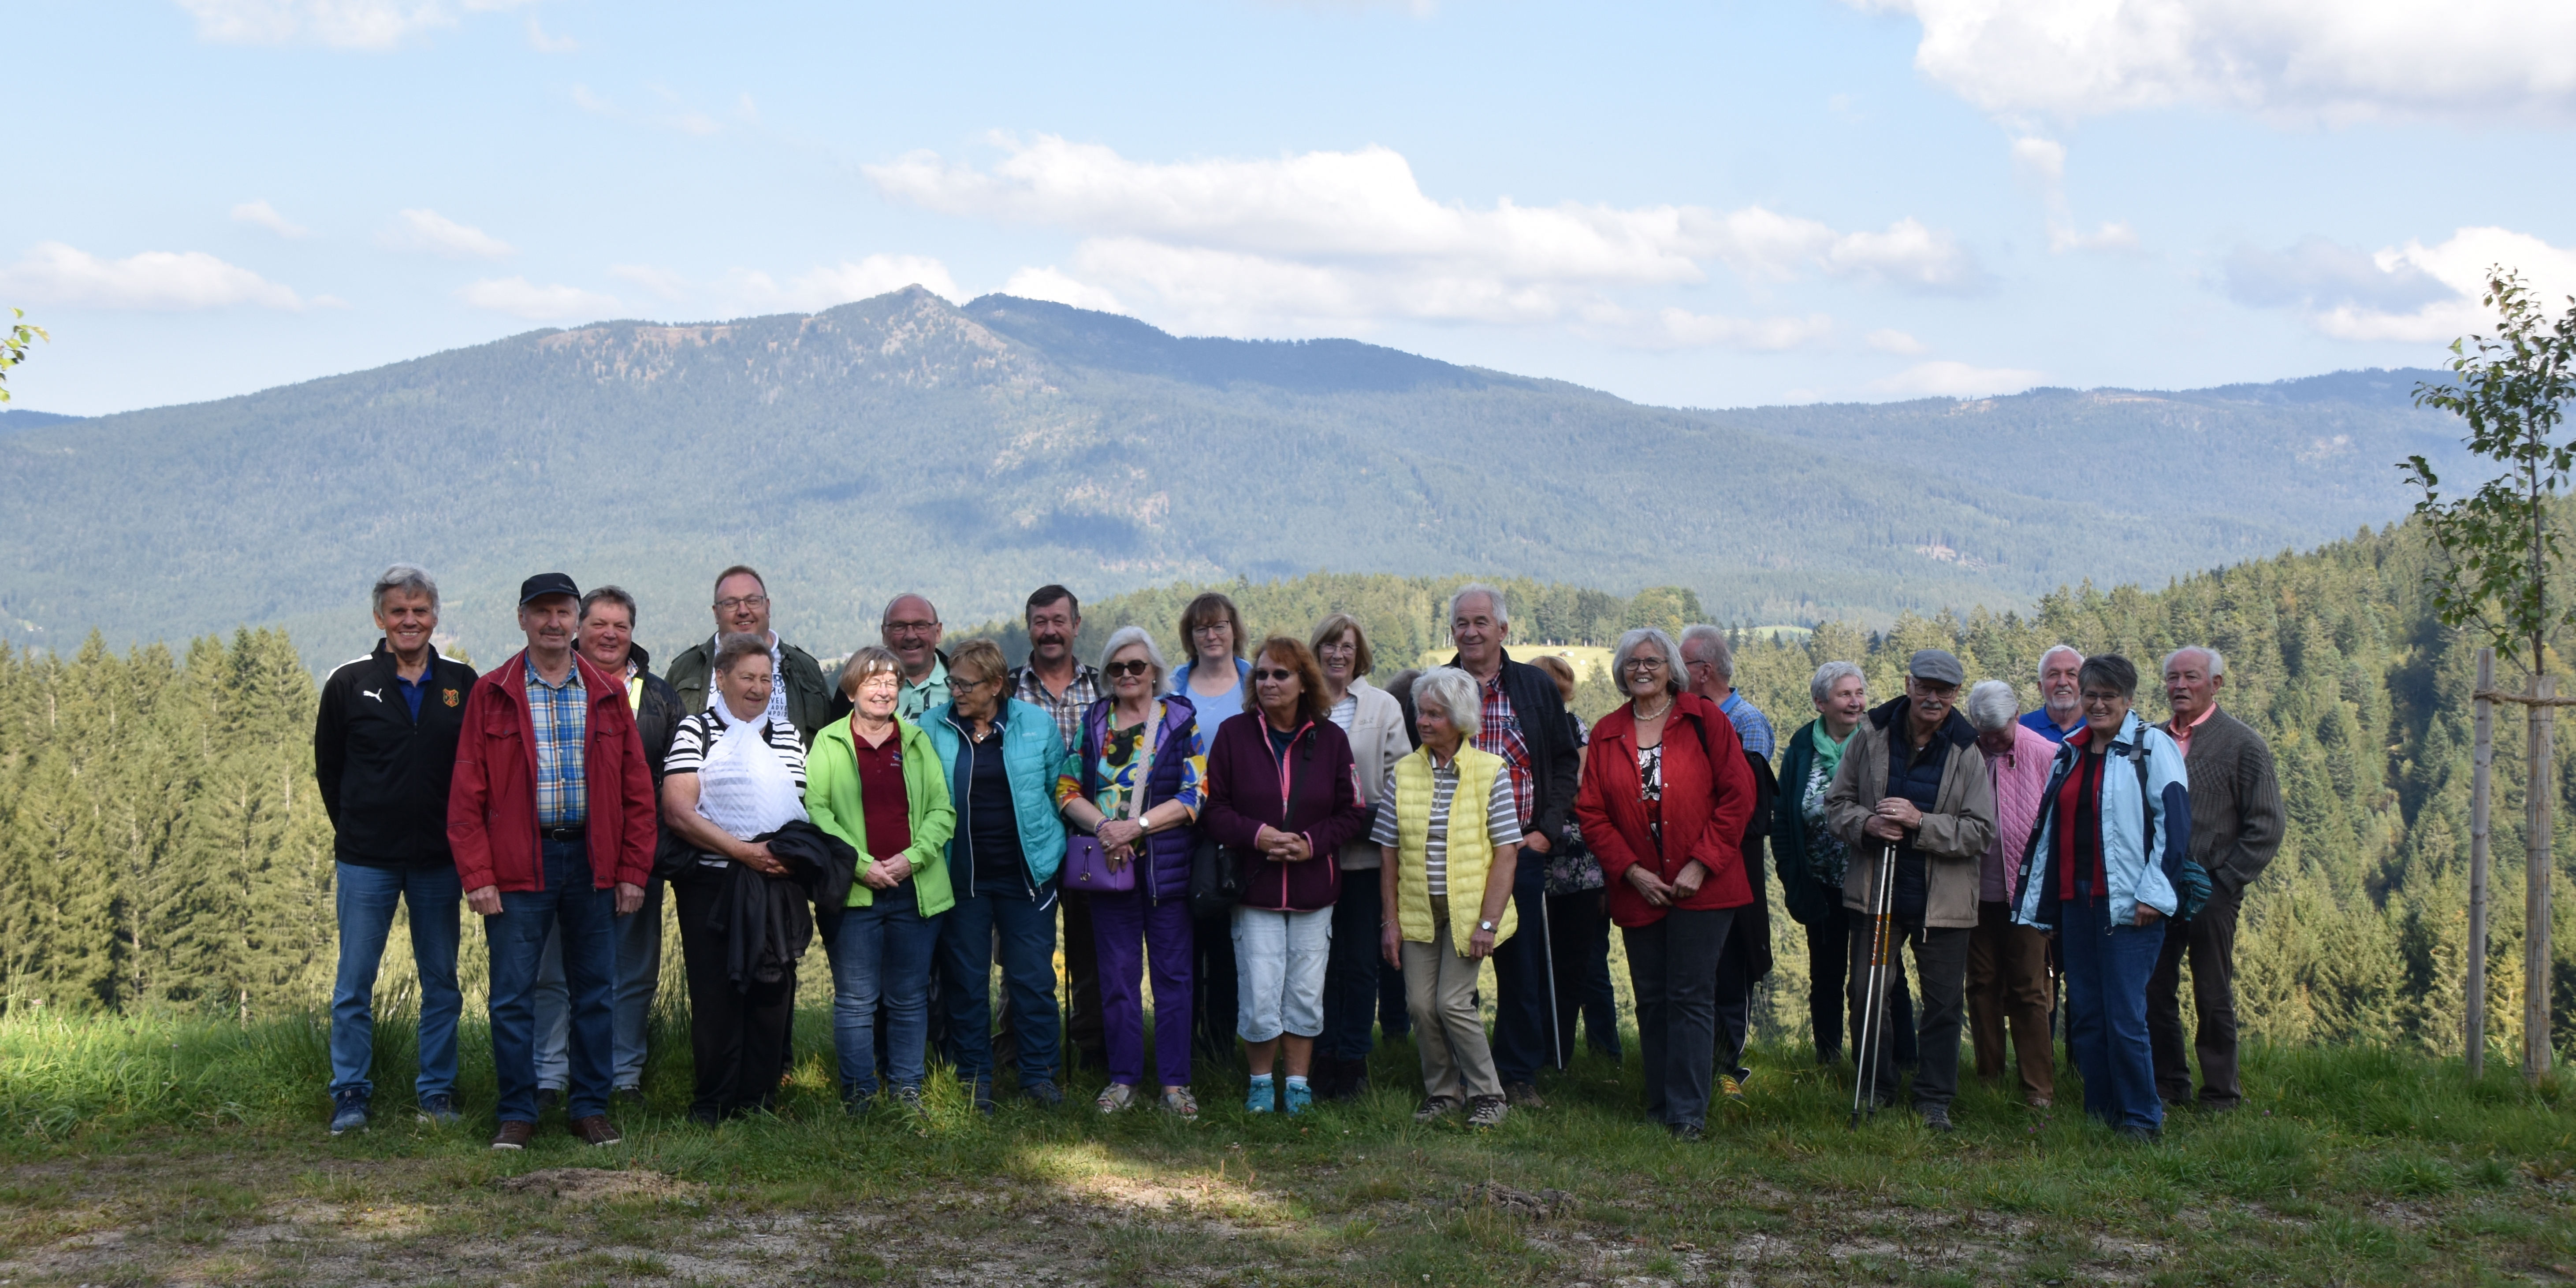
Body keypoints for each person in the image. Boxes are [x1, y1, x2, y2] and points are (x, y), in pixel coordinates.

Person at [448, 573, 655, 1151]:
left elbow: (638, 789)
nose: (553, 622)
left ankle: (590, 1107)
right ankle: (517, 1110)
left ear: (576, 618)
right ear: (522, 619)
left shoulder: (607, 694)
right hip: (519, 861)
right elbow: (467, 794)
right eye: (542, 612)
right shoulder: (493, 692)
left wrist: (634, 870)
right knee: (513, 993)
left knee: (596, 989)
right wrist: (478, 875)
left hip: (594, 857)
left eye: (564, 611)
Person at [314, 564, 479, 1134]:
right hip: (366, 859)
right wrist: (360, 826)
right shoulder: (349, 682)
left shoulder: (463, 681)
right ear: (380, 617)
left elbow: (476, 768)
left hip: (439, 858)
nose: (410, 620)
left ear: (435, 616)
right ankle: (351, 1092)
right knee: (354, 983)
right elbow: (329, 769)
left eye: (420, 610)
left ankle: (436, 1092)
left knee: (442, 983)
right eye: (398, 611)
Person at [1575, 628, 1756, 1140]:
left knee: (1691, 995)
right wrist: (1631, 871)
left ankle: (1687, 1114)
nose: (1642, 669)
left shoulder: (1706, 720)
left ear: (1671, 667)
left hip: (1707, 886)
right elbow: (1591, 812)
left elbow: (1737, 797)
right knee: (1652, 997)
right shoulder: (1609, 731)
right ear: (1620, 671)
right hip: (1640, 886)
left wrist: (1701, 864)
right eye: (1632, 662)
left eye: (1652, 660)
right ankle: (1660, 1105)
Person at [2012, 654, 2191, 1140]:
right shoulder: (2070, 750)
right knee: (2087, 1013)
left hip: (2132, 906)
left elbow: (2174, 827)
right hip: (2077, 902)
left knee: (2126, 1015)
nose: (2097, 703)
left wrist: (2155, 892)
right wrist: (2043, 902)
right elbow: (2049, 831)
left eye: (2109, 696)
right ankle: (2101, 1114)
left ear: (2129, 700)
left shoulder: (2152, 748)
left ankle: (2141, 1118)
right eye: (2091, 695)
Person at [1823, 648, 1997, 1132]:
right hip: (1877, 900)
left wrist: (1922, 825)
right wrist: (1870, 823)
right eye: (1926, 686)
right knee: (1867, 992)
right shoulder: (1870, 736)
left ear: (1956, 695)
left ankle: (1934, 1099)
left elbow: (1982, 831)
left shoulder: (1968, 751)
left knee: (1943, 1004)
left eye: (1945, 690)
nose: (1934, 697)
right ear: (1908, 684)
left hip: (1942, 906)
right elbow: (1836, 805)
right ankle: (1876, 1087)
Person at [529, 589, 685, 1110]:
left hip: (639, 859)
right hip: (562, 852)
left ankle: (624, 1074)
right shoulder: (552, 687)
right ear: (580, 628)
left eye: (621, 625)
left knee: (632, 970)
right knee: (554, 970)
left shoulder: (661, 699)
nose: (610, 634)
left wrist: (646, 857)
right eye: (599, 624)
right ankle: (551, 1075)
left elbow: (674, 782)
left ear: (633, 631)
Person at [1203, 636, 1370, 1115]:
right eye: (1262, 674)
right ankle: (1260, 1083)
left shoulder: (1331, 738)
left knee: (1304, 989)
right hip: (1254, 886)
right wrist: (1258, 835)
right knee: (1259, 988)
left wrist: (1309, 843)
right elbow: (1214, 809)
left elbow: (1352, 810)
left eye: (1281, 674)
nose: (1270, 682)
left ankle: (1297, 1083)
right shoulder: (1234, 735)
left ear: (1304, 683)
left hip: (1314, 886)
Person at [658, 633, 814, 1124]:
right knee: (716, 991)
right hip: (714, 882)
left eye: (766, 678)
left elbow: (801, 807)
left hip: (776, 880)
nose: (757, 688)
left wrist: (783, 858)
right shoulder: (695, 731)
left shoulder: (787, 735)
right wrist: (745, 853)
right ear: (721, 679)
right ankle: (714, 1102)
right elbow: (679, 811)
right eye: (746, 677)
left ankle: (759, 1100)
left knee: (772, 988)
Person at [1055, 627, 1206, 1117]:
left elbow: (1196, 794)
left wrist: (1134, 828)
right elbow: (1066, 788)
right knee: (1116, 979)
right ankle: (1123, 1079)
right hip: (1110, 868)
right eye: (1116, 668)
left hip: (1166, 870)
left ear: (1155, 671)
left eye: (1136, 666)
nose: (1126, 675)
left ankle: (1175, 1084)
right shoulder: (1095, 721)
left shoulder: (1180, 721)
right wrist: (1105, 828)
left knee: (1174, 979)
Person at [1443, 584, 1582, 1108]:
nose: (1471, 631)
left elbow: (1566, 762)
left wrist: (1547, 830)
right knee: (1457, 969)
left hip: (1521, 848)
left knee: (1521, 966)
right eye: (1462, 623)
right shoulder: (1441, 687)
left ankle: (1519, 1073)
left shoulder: (1534, 687)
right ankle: (1462, 1072)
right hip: (1456, 854)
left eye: (1481, 621)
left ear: (1503, 629)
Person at [807, 646, 956, 1113]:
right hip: (854, 892)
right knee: (856, 1000)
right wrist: (861, 864)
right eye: (873, 681)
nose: (884, 689)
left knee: (909, 997)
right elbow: (817, 810)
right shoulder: (829, 743)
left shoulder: (915, 742)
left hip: (914, 888)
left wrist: (911, 859)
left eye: (891, 681)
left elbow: (941, 810)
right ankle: (859, 1094)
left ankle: (907, 1088)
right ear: (852, 689)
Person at [1374, 666, 1524, 1129]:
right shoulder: (1404, 773)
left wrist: (1488, 923)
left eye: (1435, 714)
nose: (1424, 721)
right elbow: (1389, 852)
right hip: (1419, 910)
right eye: (1422, 711)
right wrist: (1390, 921)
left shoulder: (1490, 771)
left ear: (1459, 720)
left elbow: (1506, 853)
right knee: (1420, 1004)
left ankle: (1489, 1094)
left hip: (1470, 913)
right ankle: (1443, 1092)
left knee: (1452, 1003)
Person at [927, 638, 1071, 1111]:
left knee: (1032, 980)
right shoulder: (933, 727)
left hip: (1026, 877)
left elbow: (1056, 788)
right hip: (960, 878)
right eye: (952, 682)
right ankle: (974, 1079)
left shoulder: (1036, 725)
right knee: (966, 982)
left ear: (996, 685)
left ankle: (1040, 1076)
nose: (956, 692)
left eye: (965, 684)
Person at [2151, 646, 2282, 1112]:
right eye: (2172, 678)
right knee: (2154, 986)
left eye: (2191, 677)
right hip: (2157, 887)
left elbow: (2266, 825)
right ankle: (2169, 1084)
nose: (2180, 686)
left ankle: (2222, 1093)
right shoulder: (2150, 740)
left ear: (2216, 684)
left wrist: (2227, 881)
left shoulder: (2243, 744)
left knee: (2212, 989)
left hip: (2214, 889)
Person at [1773, 661, 1914, 1068]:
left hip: (1874, 881)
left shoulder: (1881, 742)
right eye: (1845, 694)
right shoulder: (1802, 748)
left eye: (1860, 693)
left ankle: (1901, 1061)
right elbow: (1785, 817)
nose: (1856, 702)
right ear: (1821, 702)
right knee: (1827, 976)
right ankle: (1829, 1060)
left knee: (1887, 975)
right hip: (1821, 883)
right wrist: (1791, 875)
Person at [1312, 612, 1419, 1099]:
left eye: (1347, 647)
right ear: (1316, 650)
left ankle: (1352, 1060)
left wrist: (1366, 823)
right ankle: (1317, 1055)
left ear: (1360, 654)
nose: (1338, 655)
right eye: (1330, 645)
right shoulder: (1300, 701)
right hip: (1310, 857)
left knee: (1358, 963)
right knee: (1316, 964)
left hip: (1365, 858)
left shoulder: (1383, 705)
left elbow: (1400, 777)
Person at [1009, 585, 1106, 1074]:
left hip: (1093, 839)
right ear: (1029, 625)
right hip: (1026, 841)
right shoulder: (1007, 688)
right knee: (1024, 954)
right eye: (1040, 620)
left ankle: (1093, 1050)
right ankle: (1020, 1049)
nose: (1050, 630)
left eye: (1059, 620)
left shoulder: (1103, 686)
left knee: (1092, 948)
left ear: (1076, 624)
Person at [1680, 624, 1774, 1101]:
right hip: (1694, 859)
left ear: (1704, 671)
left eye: (1682, 664)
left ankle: (1726, 1068)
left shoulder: (1745, 722)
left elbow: (1747, 805)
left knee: (1732, 965)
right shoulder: (1685, 716)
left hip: (1733, 861)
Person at [1965, 679, 2059, 1109]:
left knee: (2027, 987)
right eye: (1984, 732)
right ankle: (1988, 1080)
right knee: (1982, 983)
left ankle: (2038, 1088)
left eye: (1999, 733)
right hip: (1976, 893)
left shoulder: (2045, 754)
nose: (1992, 740)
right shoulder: (1968, 754)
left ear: (2018, 715)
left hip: (2029, 894)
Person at [1173, 591, 1255, 1066]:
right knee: (1186, 942)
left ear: (1234, 629)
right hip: (1184, 827)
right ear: (1190, 635)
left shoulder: (1253, 682)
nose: (1211, 634)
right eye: (1202, 627)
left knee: (1229, 943)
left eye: (1219, 625)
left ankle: (1223, 1046)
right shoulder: (1174, 686)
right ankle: (1183, 1047)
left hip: (1239, 827)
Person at [1530, 652, 1620, 1065]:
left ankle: (1578, 1052)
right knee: (1552, 963)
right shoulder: (1562, 726)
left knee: (1579, 963)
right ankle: (1555, 1051)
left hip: (1574, 859)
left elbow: (1581, 788)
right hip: (1550, 857)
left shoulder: (1574, 729)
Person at [664, 565, 835, 740]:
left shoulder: (807, 670)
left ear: (768, 607)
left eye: (753, 601)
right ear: (716, 614)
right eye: (731, 604)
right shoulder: (685, 669)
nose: (743, 611)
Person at [882, 593, 952, 721]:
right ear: (884, 634)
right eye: (899, 626)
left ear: (938, 632)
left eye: (921, 625)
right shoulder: (859, 686)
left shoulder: (966, 685)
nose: (910, 636)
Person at [2022, 646, 2086, 743]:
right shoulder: (2021, 728)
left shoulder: (2100, 727)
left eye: (2072, 674)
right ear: (2041, 687)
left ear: (2085, 684)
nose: (2063, 682)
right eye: (2054, 675)